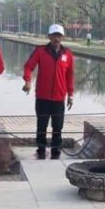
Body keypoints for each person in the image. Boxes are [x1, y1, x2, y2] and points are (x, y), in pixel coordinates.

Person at [22, 23, 75, 160]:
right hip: (42, 97)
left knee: (57, 127)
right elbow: (28, 66)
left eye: (59, 36)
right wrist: (28, 81)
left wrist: (71, 95)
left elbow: (70, 76)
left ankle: (56, 151)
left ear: (62, 37)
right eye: (54, 36)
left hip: (59, 97)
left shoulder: (67, 54)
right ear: (49, 36)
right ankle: (41, 150)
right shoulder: (40, 51)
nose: (56, 39)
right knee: (41, 125)